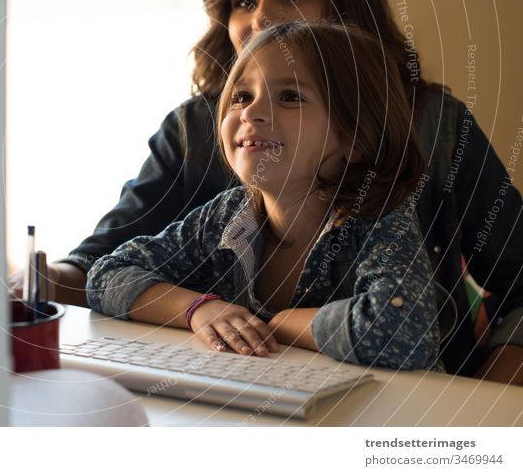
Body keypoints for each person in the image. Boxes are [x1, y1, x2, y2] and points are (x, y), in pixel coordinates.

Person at [15, 0, 523, 382]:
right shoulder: (208, 158)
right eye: (243, 0)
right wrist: (38, 281)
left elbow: (452, 307)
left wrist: (490, 402)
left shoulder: (412, 163)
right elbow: (103, 264)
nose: (263, 18)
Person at [87, 21, 441, 370]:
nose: (251, 113)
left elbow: (401, 334)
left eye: (290, 97)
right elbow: (106, 276)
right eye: (241, 96)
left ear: (356, 138)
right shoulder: (224, 217)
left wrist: (280, 322)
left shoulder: (380, 221)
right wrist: (199, 309)